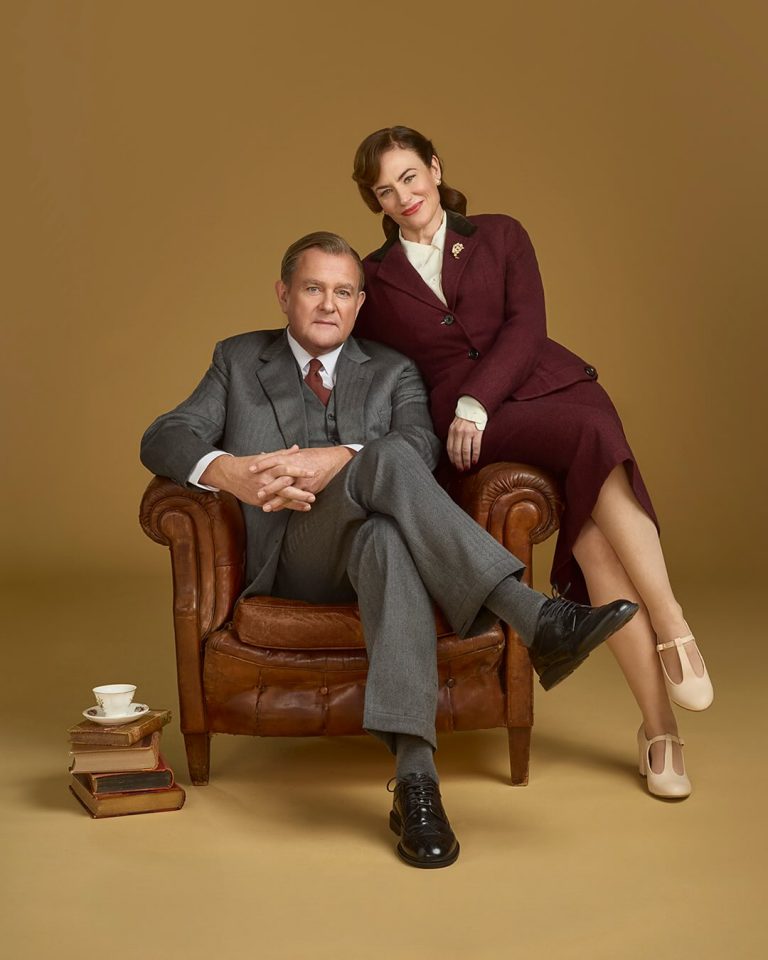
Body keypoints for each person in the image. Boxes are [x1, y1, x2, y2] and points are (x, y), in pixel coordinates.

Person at [140, 231, 638, 867]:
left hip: (371, 555)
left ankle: (416, 784)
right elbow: (164, 434)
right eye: (313, 288)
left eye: (344, 292)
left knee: (387, 531)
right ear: (284, 295)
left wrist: (336, 458)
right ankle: (532, 615)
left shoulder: (393, 369)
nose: (328, 304)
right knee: (385, 460)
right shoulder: (237, 360)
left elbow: (421, 448)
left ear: (360, 303)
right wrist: (228, 472)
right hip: (289, 558)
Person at [351, 126, 713, 800]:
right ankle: (672, 636)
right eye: (385, 190)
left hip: (542, 387)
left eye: (409, 176)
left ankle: (663, 703)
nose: (403, 196)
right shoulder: (374, 278)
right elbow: (360, 362)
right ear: (376, 202)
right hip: (471, 435)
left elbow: (526, 327)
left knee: (594, 534)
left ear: (435, 168)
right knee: (591, 439)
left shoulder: (500, 234)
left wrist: (477, 401)